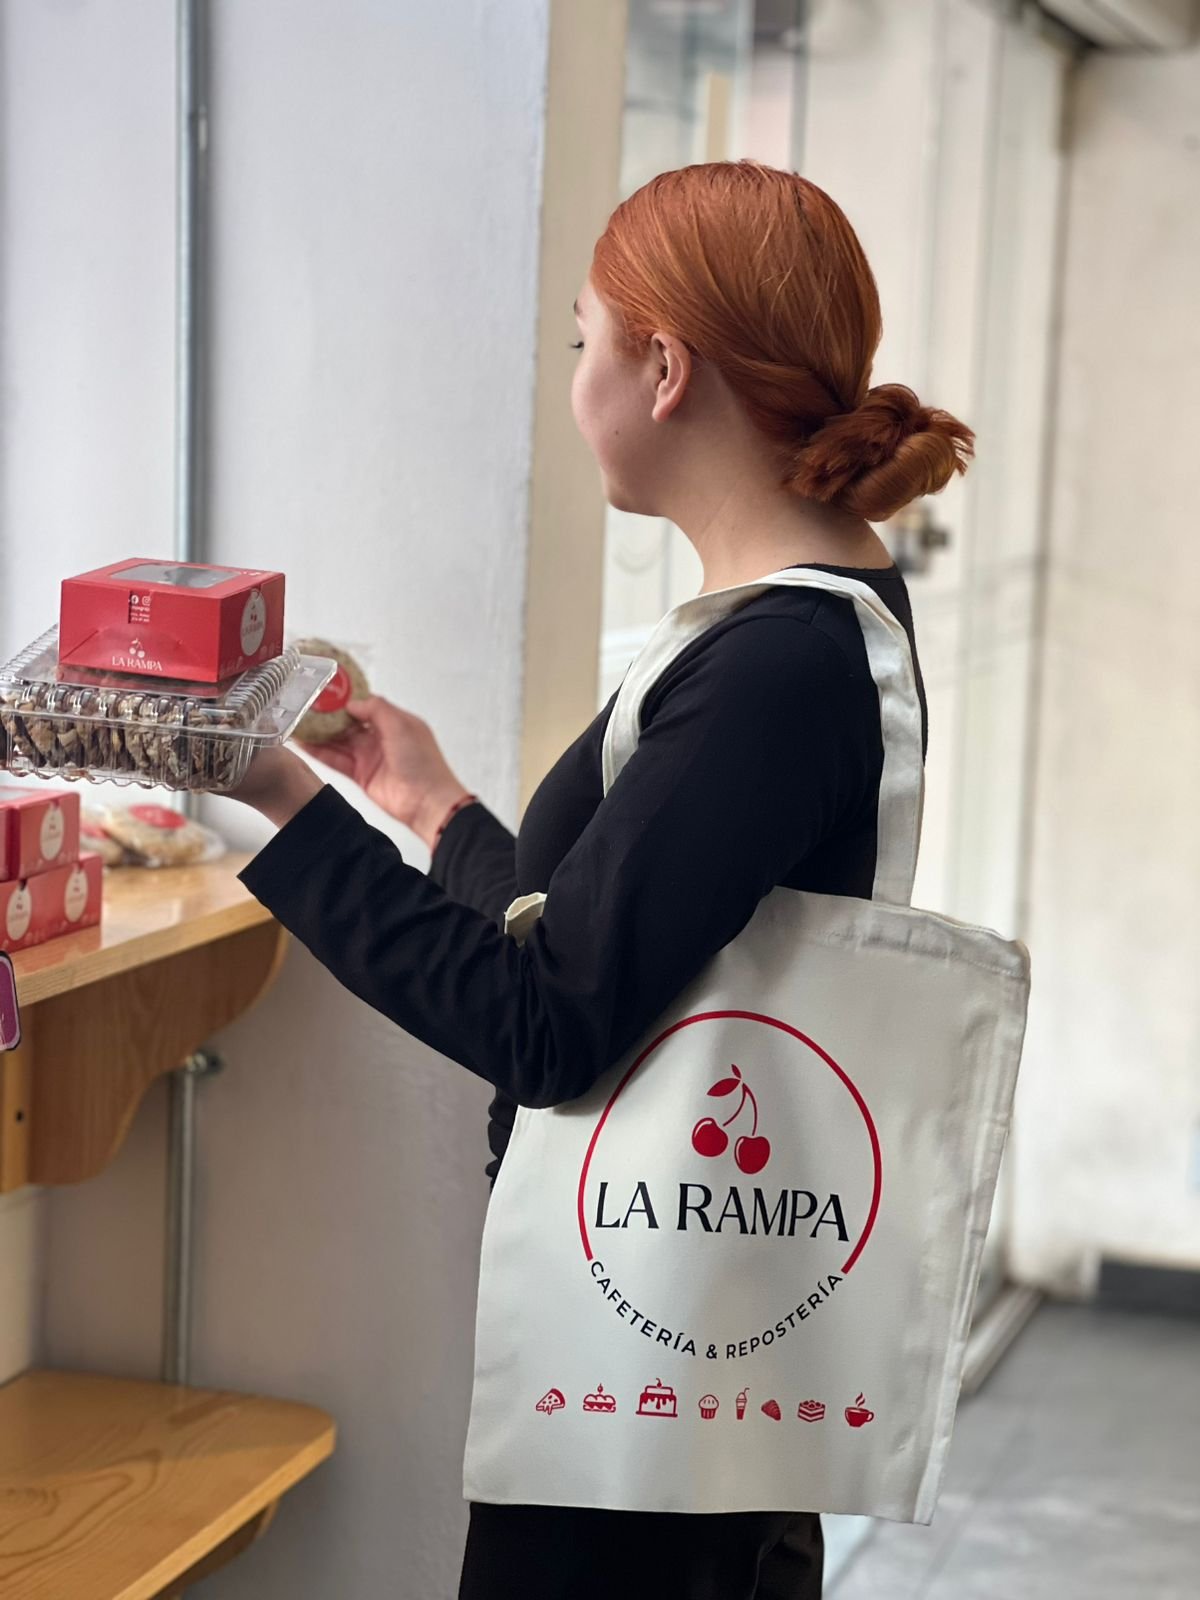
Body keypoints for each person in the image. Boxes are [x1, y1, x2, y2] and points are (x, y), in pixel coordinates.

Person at [229, 160, 973, 1600]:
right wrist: (433, 810)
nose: (576, 384)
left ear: (664, 369)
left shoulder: (775, 666)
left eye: (585, 345)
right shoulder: (801, 623)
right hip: (689, 1364)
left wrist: (270, 796)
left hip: (655, 1426)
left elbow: (549, 1025)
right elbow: (616, 942)